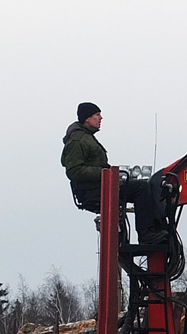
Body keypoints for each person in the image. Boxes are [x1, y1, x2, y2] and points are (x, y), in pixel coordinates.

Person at [61, 102, 168, 244]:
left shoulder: (87, 138)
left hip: (100, 186)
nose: (101, 118)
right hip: (94, 190)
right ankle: (146, 234)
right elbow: (74, 171)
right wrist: (106, 173)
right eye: (97, 115)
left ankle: (152, 230)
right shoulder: (78, 140)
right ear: (87, 118)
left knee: (144, 185)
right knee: (141, 189)